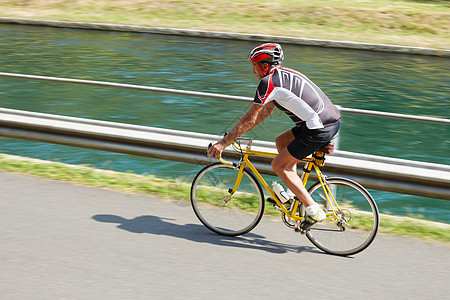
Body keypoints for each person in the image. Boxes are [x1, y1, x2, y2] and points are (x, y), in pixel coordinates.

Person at [208, 43, 341, 230]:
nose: (253, 73)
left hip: (319, 128)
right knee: (281, 141)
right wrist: (234, 134)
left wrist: (224, 142)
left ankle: (313, 210)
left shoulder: (267, 82)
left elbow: (250, 119)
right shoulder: (281, 76)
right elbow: (263, 113)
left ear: (264, 66)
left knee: (278, 165)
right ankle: (293, 197)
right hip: (325, 123)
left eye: (254, 67)